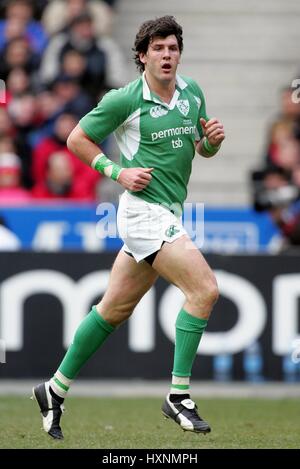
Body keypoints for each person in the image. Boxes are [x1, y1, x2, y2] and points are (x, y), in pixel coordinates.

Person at [32, 15, 225, 439]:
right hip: (141, 212)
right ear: (142, 56)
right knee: (204, 290)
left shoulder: (192, 93)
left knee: (113, 310)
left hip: (169, 210)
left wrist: (210, 142)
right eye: (158, 48)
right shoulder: (124, 99)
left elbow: (199, 148)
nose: (167, 55)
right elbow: (77, 140)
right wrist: (116, 171)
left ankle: (54, 388)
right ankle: (178, 395)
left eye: (172, 47)